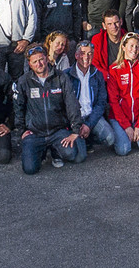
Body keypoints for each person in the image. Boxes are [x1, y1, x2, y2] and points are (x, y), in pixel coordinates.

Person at [15, 43, 86, 174]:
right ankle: (41, 151)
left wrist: (75, 130)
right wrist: (21, 131)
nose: (39, 64)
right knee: (30, 169)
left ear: (47, 58)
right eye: (35, 62)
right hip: (35, 132)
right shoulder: (24, 81)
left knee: (72, 154)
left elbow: (72, 104)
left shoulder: (61, 77)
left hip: (57, 131)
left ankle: (55, 151)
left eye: (41, 59)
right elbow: (18, 107)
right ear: (30, 64)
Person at [105, 32, 139, 155]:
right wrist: (126, 126)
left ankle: (135, 134)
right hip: (120, 118)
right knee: (123, 150)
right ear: (123, 47)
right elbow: (113, 101)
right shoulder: (114, 69)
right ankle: (122, 134)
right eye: (131, 46)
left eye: (137, 46)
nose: (134, 49)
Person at [69, 40, 117, 153]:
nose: (86, 57)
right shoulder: (67, 75)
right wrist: (76, 124)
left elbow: (101, 102)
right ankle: (83, 141)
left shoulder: (98, 74)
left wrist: (88, 125)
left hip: (91, 115)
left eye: (90, 53)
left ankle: (89, 137)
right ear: (76, 55)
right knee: (78, 156)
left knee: (110, 138)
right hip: (75, 119)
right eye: (82, 53)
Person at [90, 10, 124, 77]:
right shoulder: (97, 40)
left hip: (124, 77)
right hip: (105, 78)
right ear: (104, 26)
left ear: (121, 22)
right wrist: (108, 76)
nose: (114, 26)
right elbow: (94, 63)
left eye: (116, 22)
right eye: (109, 24)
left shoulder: (129, 39)